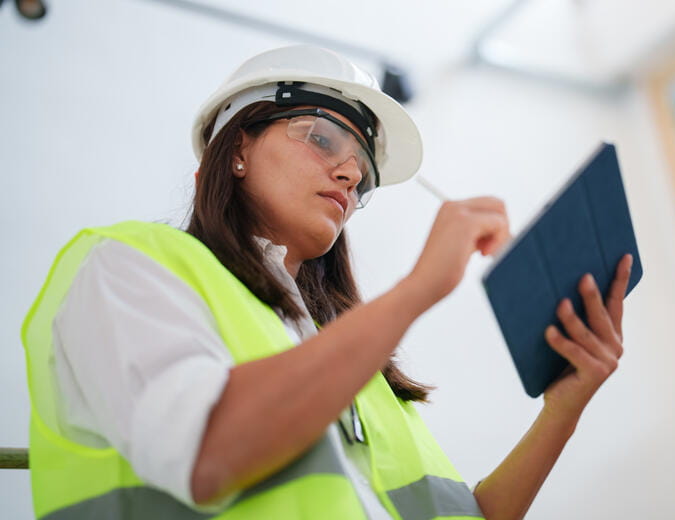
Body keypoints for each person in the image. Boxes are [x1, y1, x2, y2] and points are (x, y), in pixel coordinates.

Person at [21, 44, 633, 520]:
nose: (349, 173)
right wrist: (418, 289)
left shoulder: (355, 373)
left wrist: (564, 407)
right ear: (235, 146)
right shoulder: (128, 265)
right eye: (322, 138)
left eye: (363, 173)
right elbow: (207, 451)